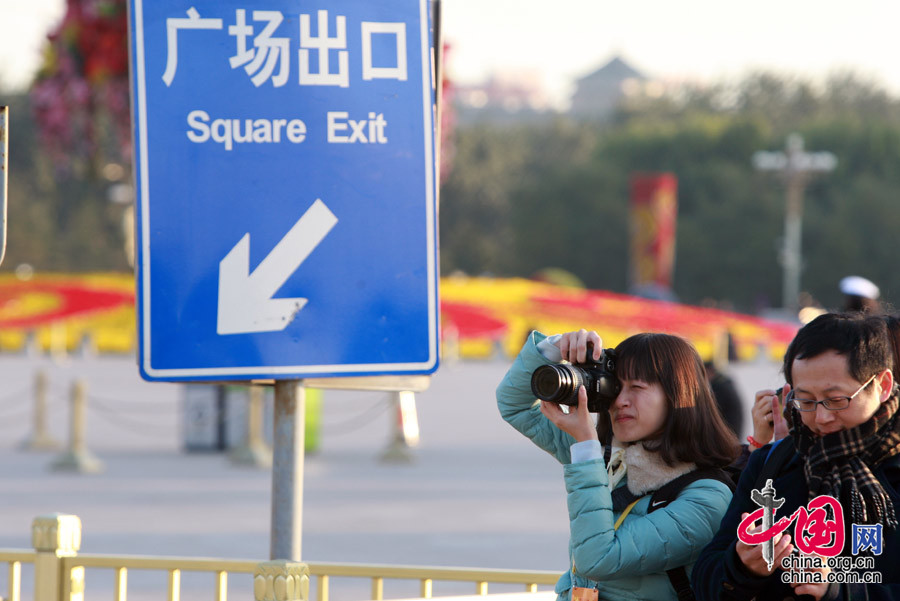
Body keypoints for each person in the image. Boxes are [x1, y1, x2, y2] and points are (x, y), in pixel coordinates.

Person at [498, 329, 740, 601]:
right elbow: (513, 405)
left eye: (636, 388)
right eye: (616, 386)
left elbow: (599, 559)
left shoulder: (707, 498)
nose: (620, 401)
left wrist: (586, 449)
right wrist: (554, 348)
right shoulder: (610, 457)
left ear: (678, 396)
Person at [692, 312, 900, 601]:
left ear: (883, 385)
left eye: (837, 399)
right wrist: (741, 567)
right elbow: (706, 579)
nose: (823, 417)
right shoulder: (772, 462)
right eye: (806, 400)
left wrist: (840, 592)